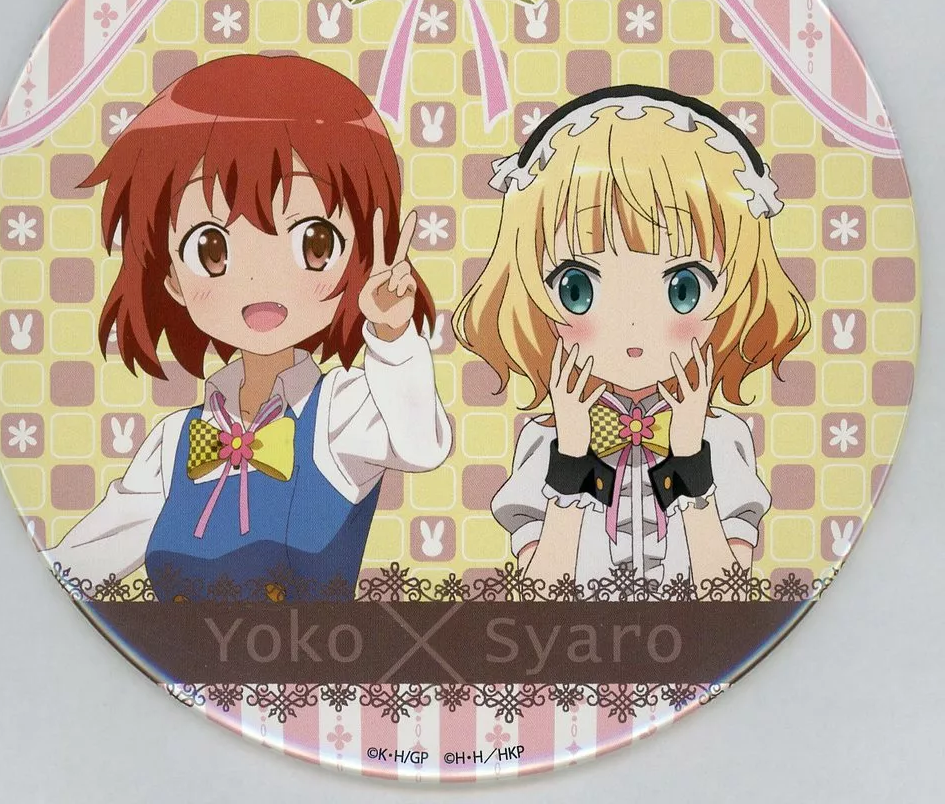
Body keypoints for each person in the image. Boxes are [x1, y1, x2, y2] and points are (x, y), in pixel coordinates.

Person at [45, 54, 451, 602]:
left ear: (360, 252)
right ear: (171, 278)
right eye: (211, 248)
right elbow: (82, 562)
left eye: (314, 243)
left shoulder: (341, 413)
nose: (261, 279)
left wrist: (393, 335)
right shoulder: (174, 442)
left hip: (315, 656)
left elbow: (422, 448)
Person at [454, 85, 810, 598]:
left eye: (683, 289)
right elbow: (539, 602)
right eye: (577, 289)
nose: (634, 330)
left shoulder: (723, 440)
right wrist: (571, 454)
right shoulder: (544, 443)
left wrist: (689, 454)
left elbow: (729, 599)